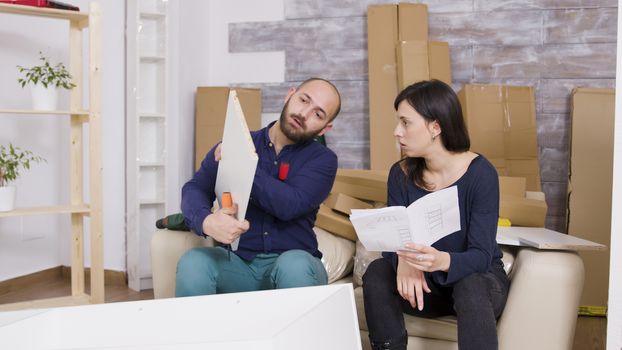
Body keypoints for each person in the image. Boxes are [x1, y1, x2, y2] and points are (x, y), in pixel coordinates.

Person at [362, 80, 509, 350]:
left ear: (435, 127)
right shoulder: (401, 174)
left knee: (470, 284)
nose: (397, 132)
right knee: (378, 271)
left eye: (406, 123)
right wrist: (404, 261)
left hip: (478, 284)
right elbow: (394, 240)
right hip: (425, 289)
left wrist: (441, 260)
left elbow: (481, 256)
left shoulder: (481, 174)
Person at [176, 77, 341, 297]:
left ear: (324, 128)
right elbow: (195, 187)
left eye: (318, 114)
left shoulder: (323, 161)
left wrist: (241, 162)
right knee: (193, 262)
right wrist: (206, 221)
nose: (304, 114)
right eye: (303, 100)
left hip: (295, 265)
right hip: (238, 264)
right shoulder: (237, 144)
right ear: (290, 95)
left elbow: (290, 204)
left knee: (293, 266)